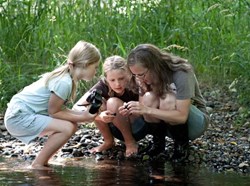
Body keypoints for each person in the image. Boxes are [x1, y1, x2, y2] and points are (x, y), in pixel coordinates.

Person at [4, 40, 101, 170]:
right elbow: (54, 112)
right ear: (85, 64)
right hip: (18, 117)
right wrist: (84, 117)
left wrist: (83, 115)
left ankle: (43, 162)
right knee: (67, 127)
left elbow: (60, 109)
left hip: (21, 114)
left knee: (71, 125)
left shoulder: (67, 78)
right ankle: (38, 164)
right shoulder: (64, 83)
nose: (96, 71)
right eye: (95, 67)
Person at [120, 43, 210, 162]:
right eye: (135, 75)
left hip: (193, 123)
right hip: (166, 124)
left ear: (154, 66)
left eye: (141, 74)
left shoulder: (181, 72)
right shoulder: (142, 76)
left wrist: (147, 110)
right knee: (148, 97)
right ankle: (158, 144)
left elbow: (182, 117)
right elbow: (145, 107)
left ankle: (181, 147)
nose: (139, 78)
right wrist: (132, 109)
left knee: (167, 98)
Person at [73, 55, 146, 157]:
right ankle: (108, 141)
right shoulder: (103, 85)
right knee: (96, 102)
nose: (117, 84)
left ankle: (130, 142)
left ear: (129, 74)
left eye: (121, 78)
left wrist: (132, 108)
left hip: (139, 127)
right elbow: (76, 107)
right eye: (112, 80)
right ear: (106, 79)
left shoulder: (136, 82)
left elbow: (147, 106)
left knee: (112, 102)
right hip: (117, 128)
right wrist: (99, 115)